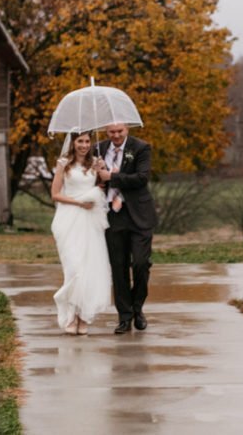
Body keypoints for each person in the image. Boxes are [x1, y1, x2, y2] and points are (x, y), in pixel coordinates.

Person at [97, 122, 158, 334]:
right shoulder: (99, 149)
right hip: (112, 216)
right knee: (118, 267)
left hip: (138, 214)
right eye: (112, 132)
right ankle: (124, 316)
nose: (116, 135)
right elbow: (94, 179)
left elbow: (142, 178)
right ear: (106, 131)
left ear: (127, 129)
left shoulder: (141, 148)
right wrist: (99, 181)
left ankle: (138, 308)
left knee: (141, 264)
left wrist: (112, 177)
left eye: (119, 131)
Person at [50, 131, 113, 335]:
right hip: (69, 218)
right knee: (74, 268)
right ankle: (69, 316)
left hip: (90, 221)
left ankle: (83, 317)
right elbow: (55, 194)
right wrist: (78, 202)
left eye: (87, 141)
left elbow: (103, 188)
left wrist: (102, 174)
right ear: (73, 143)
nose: (84, 145)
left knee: (89, 268)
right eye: (80, 141)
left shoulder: (96, 163)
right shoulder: (63, 163)